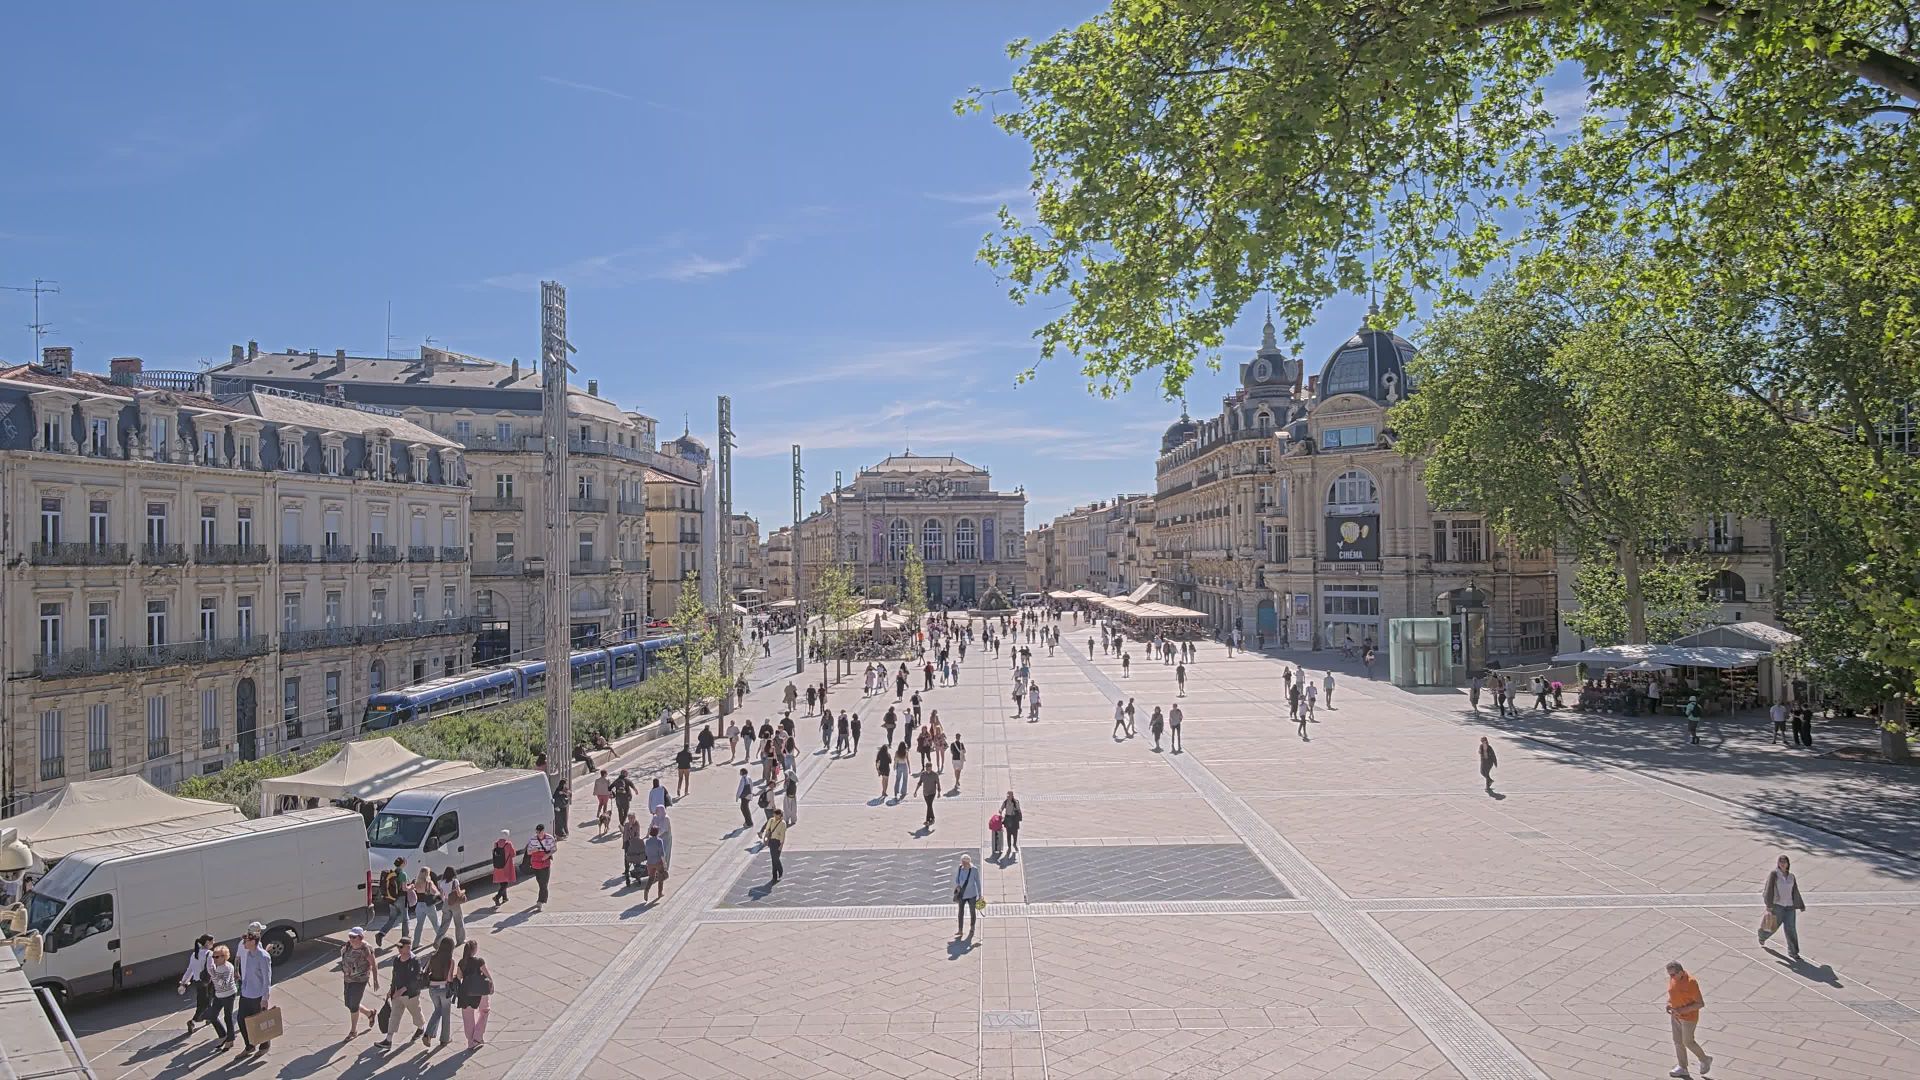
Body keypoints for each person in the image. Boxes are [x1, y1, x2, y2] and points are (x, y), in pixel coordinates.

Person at [1663, 961, 1712, 1078]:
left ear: (1680, 972)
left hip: (1688, 1018)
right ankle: (1682, 1067)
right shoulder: (1674, 978)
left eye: (1673, 975)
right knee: (1678, 1041)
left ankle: (1705, 1059)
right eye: (1669, 975)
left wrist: (1683, 1010)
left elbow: (1700, 1003)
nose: (1671, 977)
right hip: (1675, 1015)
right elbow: (1673, 992)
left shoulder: (1691, 983)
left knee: (1688, 1042)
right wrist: (1669, 1003)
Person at [376, 941, 427, 1050]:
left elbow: (415, 979)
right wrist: (391, 989)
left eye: (401, 947)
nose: (398, 949)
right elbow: (394, 975)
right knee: (394, 1015)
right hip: (397, 994)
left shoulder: (415, 961)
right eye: (398, 947)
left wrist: (403, 990)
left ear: (408, 948)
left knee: (416, 1013)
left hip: (410, 995)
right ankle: (388, 1040)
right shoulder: (397, 960)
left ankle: (421, 1028)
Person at [234, 921, 273, 1056]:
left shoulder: (262, 956)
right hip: (246, 993)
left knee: (259, 1022)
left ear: (253, 941)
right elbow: (244, 969)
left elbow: (267, 979)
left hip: (257, 995)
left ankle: (264, 1045)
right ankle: (249, 1046)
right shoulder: (249, 954)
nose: (243, 944)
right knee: (241, 1020)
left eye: (246, 941)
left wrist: (265, 998)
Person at [1758, 854, 1806, 959]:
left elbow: (1795, 892)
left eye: (1784, 861)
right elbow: (1769, 890)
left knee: (1791, 929)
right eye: (1780, 861)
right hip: (1777, 906)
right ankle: (1762, 936)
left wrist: (1801, 904)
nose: (1782, 863)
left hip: (1790, 907)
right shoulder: (1774, 874)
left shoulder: (1791, 876)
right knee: (1772, 927)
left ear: (1788, 864)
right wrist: (1769, 905)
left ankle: (1793, 952)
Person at [457, 941, 493, 1049]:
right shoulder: (479, 961)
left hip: (465, 991)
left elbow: (459, 977)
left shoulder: (461, 962)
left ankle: (470, 1041)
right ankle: (478, 1035)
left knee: (467, 1017)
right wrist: (491, 985)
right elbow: (487, 974)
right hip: (479, 990)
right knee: (485, 1011)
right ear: (474, 949)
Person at [179, 933, 216, 1037]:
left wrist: (184, 982)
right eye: (212, 941)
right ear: (207, 942)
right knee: (204, 1003)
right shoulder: (209, 954)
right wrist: (216, 978)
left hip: (198, 982)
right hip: (207, 982)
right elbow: (211, 968)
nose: (214, 943)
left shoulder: (194, 954)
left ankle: (208, 1018)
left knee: (203, 1000)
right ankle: (194, 1021)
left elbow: (189, 970)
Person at [204, 943, 240, 1051]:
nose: (214, 959)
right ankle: (223, 1035)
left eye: (217, 956)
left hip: (228, 995)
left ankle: (230, 1040)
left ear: (224, 957)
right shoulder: (217, 966)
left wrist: (213, 974)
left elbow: (224, 983)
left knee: (227, 1017)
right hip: (219, 995)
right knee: (212, 1015)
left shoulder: (227, 967)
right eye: (213, 956)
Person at [423, 937, 455, 1050]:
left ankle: (429, 1034)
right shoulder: (450, 960)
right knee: (445, 1013)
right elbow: (450, 978)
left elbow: (427, 971)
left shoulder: (433, 957)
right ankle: (444, 1038)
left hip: (432, 988)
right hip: (444, 988)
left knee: (437, 1009)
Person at [374, 856, 409, 948]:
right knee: (405, 919)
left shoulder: (391, 874)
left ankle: (381, 933)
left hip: (392, 899)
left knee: (392, 918)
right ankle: (405, 939)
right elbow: (405, 888)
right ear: (402, 864)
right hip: (401, 898)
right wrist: (412, 887)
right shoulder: (402, 874)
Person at [411, 865, 443, 949]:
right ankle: (441, 941)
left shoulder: (416, 882)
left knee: (419, 925)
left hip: (419, 905)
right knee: (436, 924)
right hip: (428, 905)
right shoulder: (429, 883)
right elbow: (436, 892)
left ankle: (415, 943)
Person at [953, 854, 982, 938]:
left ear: (967, 862)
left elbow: (978, 882)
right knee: (960, 912)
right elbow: (957, 879)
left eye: (963, 862)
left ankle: (972, 927)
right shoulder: (960, 868)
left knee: (972, 912)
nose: (962, 863)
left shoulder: (974, 870)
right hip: (962, 894)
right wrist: (958, 885)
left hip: (972, 894)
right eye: (962, 861)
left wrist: (980, 895)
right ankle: (960, 930)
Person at [439, 866, 467, 944]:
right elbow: (458, 893)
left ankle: (438, 940)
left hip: (446, 903)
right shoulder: (455, 881)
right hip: (454, 904)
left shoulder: (441, 882)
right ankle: (460, 940)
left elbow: (442, 895)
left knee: (444, 924)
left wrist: (445, 901)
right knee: (459, 922)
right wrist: (464, 891)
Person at [760, 807, 787, 884]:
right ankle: (774, 875)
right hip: (771, 841)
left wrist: (781, 844)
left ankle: (780, 870)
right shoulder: (771, 820)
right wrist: (765, 837)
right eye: (774, 815)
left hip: (778, 841)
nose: (775, 816)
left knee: (776, 858)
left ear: (780, 815)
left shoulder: (783, 823)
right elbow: (768, 829)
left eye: (776, 815)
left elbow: (782, 834)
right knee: (773, 858)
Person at [641, 827, 668, 901]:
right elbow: (662, 854)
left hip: (650, 862)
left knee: (651, 877)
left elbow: (646, 852)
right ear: (657, 832)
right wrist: (664, 864)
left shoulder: (647, 841)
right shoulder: (659, 841)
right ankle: (660, 893)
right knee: (660, 878)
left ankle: (646, 890)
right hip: (658, 862)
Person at [490, 831, 516, 904]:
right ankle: (497, 897)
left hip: (498, 866)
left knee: (502, 883)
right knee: (505, 884)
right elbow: (513, 854)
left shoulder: (496, 844)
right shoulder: (508, 844)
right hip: (506, 866)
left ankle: (505, 898)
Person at [999, 792, 1023, 856]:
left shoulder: (1015, 802)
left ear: (1012, 796)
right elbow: (1002, 807)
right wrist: (1000, 810)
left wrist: (1016, 807)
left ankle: (1014, 844)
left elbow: (1018, 810)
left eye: (1009, 796)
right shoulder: (1006, 802)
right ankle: (1009, 845)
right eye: (1007, 796)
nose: (1008, 797)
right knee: (1008, 833)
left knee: (1015, 833)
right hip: (1008, 819)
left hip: (1014, 819)